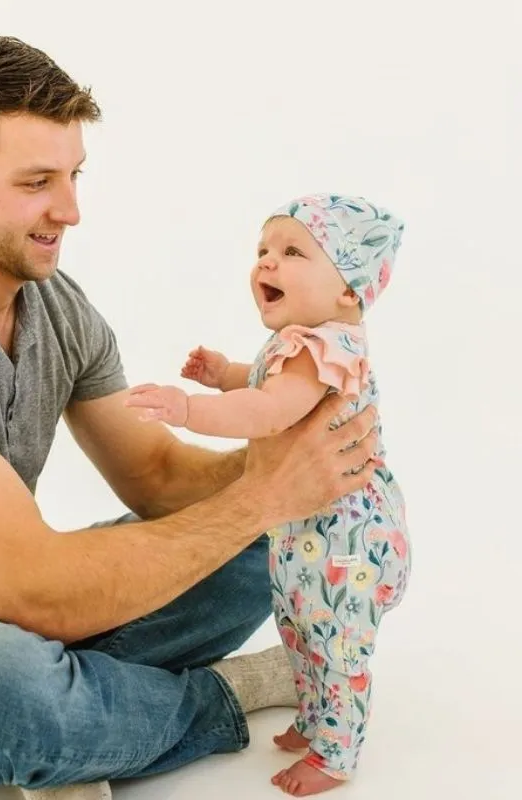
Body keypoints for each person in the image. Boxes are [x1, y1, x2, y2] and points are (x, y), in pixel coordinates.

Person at [0, 37, 380, 800]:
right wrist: (263, 496)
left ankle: (90, 715)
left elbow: (158, 475)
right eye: (37, 182)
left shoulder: (59, 309)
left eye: (73, 176)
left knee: (276, 544)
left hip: (20, 597)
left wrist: (292, 468)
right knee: (12, 695)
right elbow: (27, 592)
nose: (70, 211)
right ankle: (205, 698)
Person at [125, 194, 411, 796]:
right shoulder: (303, 343)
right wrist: (226, 370)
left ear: (349, 292)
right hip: (308, 530)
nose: (266, 264)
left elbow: (269, 408)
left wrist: (190, 409)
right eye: (262, 250)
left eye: (292, 251)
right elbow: (263, 383)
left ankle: (337, 754)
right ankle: (315, 719)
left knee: (334, 641)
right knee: (300, 628)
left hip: (345, 541)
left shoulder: (325, 348)